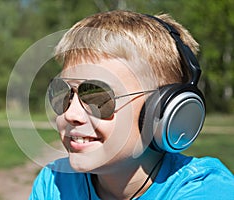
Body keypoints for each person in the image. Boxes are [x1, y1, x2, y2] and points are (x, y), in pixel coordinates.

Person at [29, 10, 234, 199]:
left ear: (160, 111)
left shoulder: (204, 188)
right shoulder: (54, 183)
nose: (70, 114)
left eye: (98, 97)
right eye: (64, 93)